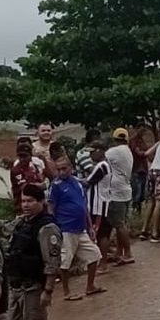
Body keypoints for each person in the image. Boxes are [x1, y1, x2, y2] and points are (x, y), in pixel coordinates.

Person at [0, 185, 61, 320]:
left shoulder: (47, 227)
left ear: (41, 202)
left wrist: (48, 290)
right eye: (23, 201)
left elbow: (52, 262)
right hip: (16, 285)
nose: (26, 205)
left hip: (34, 287)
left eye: (30, 201)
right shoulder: (21, 223)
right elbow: (1, 227)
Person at [49, 156, 106, 301]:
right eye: (58, 169)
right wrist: (54, 226)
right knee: (65, 260)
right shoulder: (56, 186)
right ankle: (66, 291)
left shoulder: (77, 183)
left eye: (64, 168)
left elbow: (83, 205)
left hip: (80, 228)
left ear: (71, 168)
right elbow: (51, 207)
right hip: (66, 228)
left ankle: (90, 286)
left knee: (94, 254)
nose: (61, 172)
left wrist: (89, 226)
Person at [105, 128, 135, 265]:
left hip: (116, 192)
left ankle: (128, 253)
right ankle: (119, 252)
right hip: (125, 189)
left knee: (119, 224)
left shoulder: (112, 152)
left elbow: (100, 157)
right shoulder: (127, 151)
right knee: (120, 224)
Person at [85, 142, 113, 273]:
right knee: (102, 234)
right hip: (101, 204)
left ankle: (103, 263)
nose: (90, 155)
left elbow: (87, 182)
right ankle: (101, 262)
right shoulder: (105, 165)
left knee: (101, 234)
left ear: (100, 151)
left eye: (93, 151)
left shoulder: (101, 166)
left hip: (98, 206)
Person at [10, 142, 45, 212]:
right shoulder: (16, 170)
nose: (22, 159)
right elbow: (25, 187)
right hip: (22, 207)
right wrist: (40, 186)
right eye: (20, 156)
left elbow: (40, 179)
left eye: (25, 156)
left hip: (36, 205)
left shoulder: (33, 167)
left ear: (30, 156)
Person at [129, 127, 150, 212]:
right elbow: (138, 152)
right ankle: (135, 210)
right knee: (137, 191)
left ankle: (139, 211)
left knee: (142, 193)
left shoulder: (141, 140)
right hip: (136, 169)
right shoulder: (133, 141)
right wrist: (147, 153)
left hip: (143, 169)